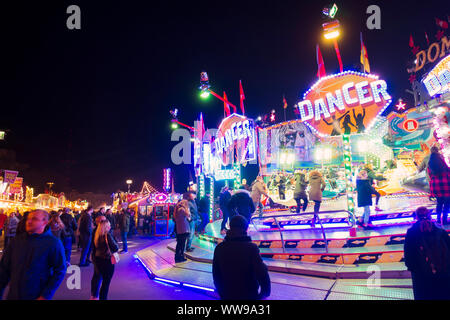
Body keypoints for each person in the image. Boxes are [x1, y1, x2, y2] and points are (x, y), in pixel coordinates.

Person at [0, 210, 66, 300]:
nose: (29, 222)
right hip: (14, 294)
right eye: (28, 219)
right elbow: (4, 269)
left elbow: (60, 270)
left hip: (36, 295)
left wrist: (46, 295)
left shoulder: (53, 243)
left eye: (34, 219)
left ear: (45, 222)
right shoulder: (16, 241)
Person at [212, 215, 270, 300]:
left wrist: (221, 291)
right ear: (246, 229)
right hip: (248, 294)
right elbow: (261, 271)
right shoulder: (251, 248)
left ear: (230, 227)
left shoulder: (220, 247)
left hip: (227, 293)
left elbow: (216, 273)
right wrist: (265, 293)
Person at [404, 207, 450, 300]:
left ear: (416, 217)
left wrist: (413, 268)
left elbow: (408, 255)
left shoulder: (411, 233)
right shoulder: (440, 231)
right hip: (443, 272)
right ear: (430, 216)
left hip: (421, 275)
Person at [90, 220, 119, 300]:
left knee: (101, 279)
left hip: (98, 260)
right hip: (107, 260)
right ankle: (103, 298)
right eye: (108, 225)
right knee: (106, 282)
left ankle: (96, 296)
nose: (110, 227)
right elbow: (115, 247)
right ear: (105, 227)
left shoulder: (97, 235)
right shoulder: (107, 235)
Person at [427, 146, 450, 225]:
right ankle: (444, 219)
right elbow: (447, 170)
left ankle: (438, 219)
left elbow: (429, 174)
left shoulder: (430, 162)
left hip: (435, 185)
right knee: (447, 203)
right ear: (437, 151)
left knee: (439, 202)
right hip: (445, 183)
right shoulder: (441, 160)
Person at [173, 199, 191, 263]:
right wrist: (188, 210)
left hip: (180, 229)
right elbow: (189, 216)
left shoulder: (178, 209)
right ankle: (180, 257)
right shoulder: (182, 209)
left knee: (179, 243)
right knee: (182, 244)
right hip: (183, 229)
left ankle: (177, 256)